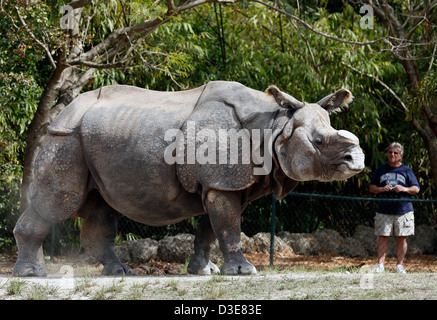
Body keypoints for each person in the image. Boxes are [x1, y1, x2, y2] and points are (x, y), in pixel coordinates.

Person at [369, 142, 420, 274]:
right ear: (387, 154)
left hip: (403, 211)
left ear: (401, 156)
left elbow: (416, 189)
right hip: (384, 210)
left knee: (401, 238)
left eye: (395, 153)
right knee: (383, 237)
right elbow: (371, 188)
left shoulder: (407, 171)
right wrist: (382, 189)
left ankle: (399, 266)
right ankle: (380, 265)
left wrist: (404, 189)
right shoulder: (381, 169)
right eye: (390, 152)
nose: (392, 155)